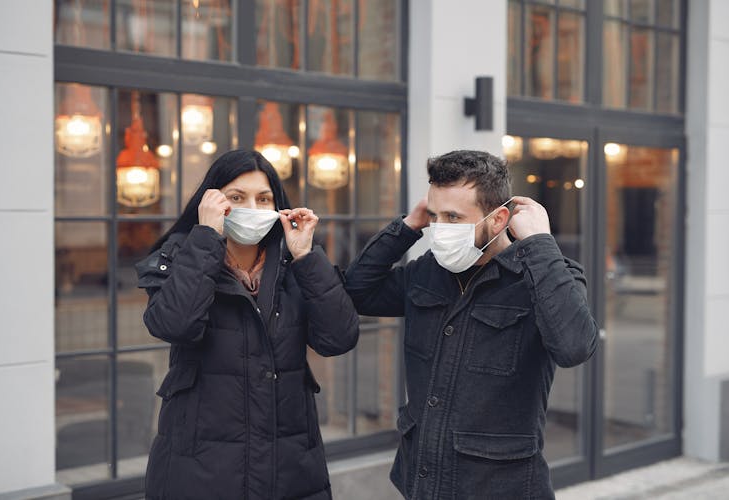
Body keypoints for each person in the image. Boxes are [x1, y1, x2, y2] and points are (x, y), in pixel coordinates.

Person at [344, 150, 598, 499]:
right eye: (435, 215)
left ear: (498, 219)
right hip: (422, 483)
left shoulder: (544, 276)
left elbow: (574, 347)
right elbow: (358, 291)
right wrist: (406, 228)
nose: (441, 229)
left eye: (454, 217)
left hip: (500, 489)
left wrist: (539, 243)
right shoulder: (427, 272)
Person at [136, 149, 359, 499]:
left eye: (264, 198)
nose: (253, 209)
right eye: (237, 197)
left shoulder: (294, 262)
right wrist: (207, 237)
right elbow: (175, 325)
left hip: (289, 469)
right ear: (212, 201)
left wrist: (306, 256)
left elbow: (339, 338)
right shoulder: (181, 256)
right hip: (201, 471)